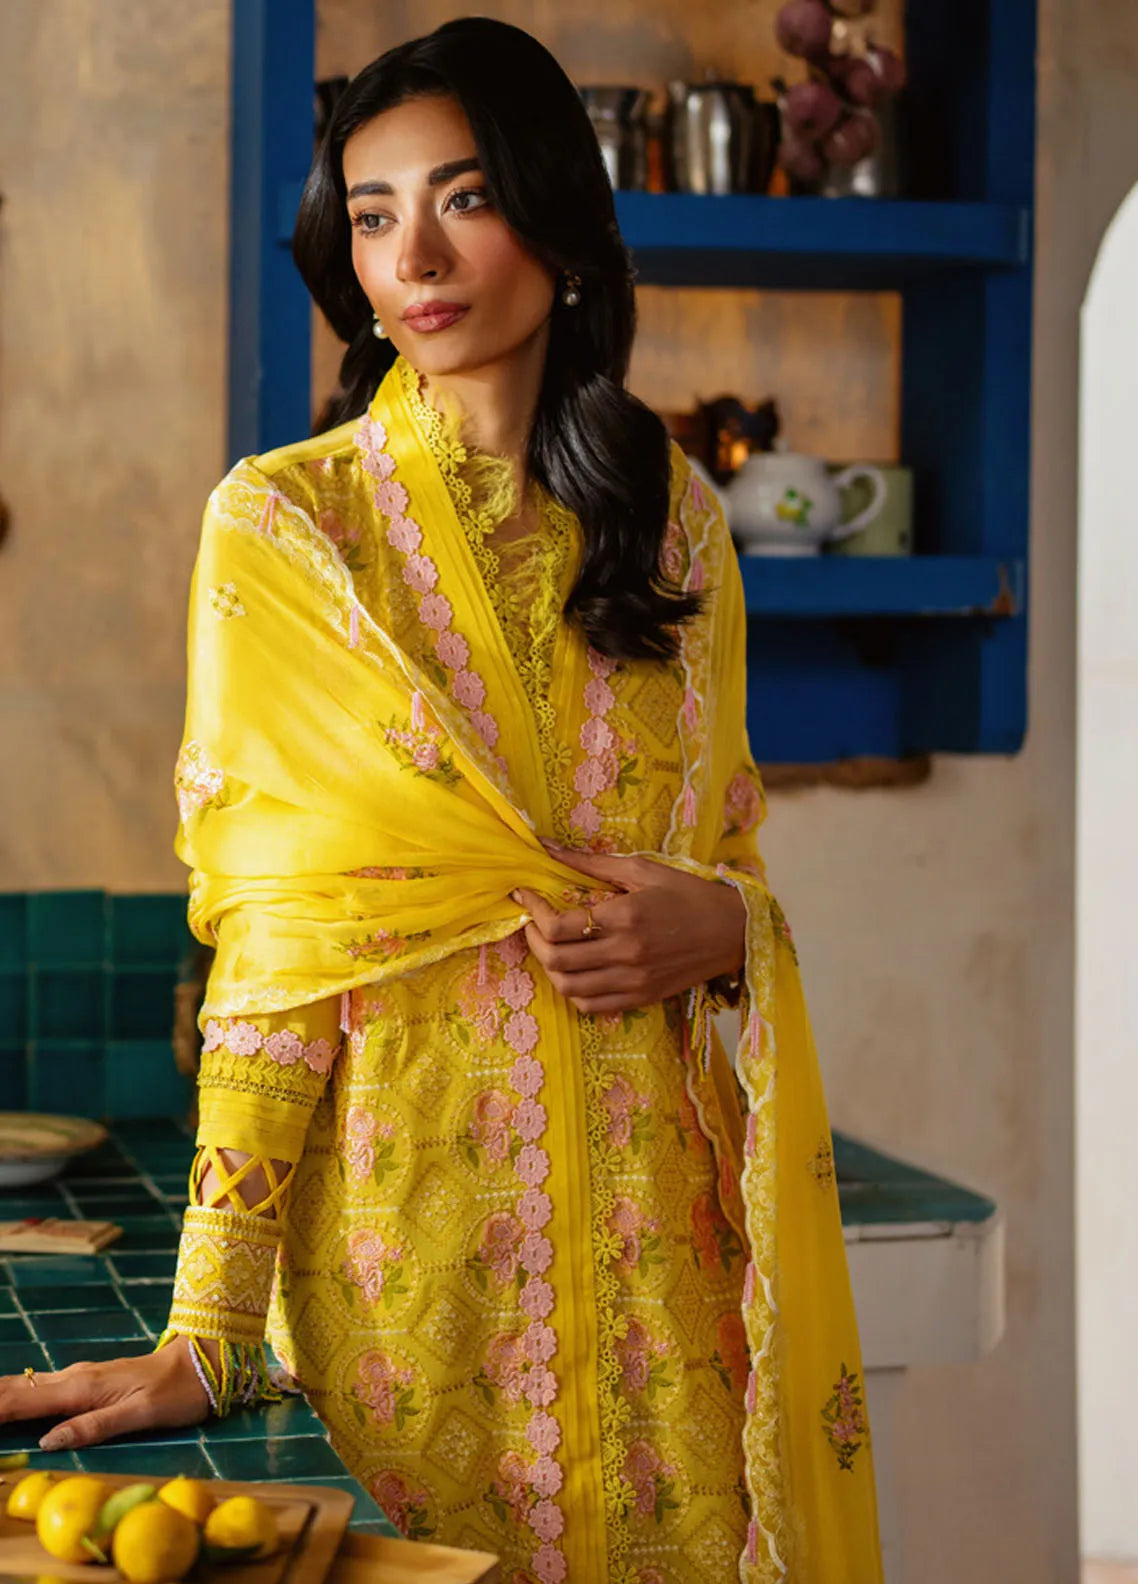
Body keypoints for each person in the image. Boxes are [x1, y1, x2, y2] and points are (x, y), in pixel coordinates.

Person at [0, 18, 882, 1581]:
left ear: (557, 218)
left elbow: (723, 853)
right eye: (372, 212)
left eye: (463, 198)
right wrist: (209, 1325)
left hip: (663, 1272)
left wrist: (726, 927)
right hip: (411, 1269)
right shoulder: (291, 530)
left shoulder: (674, 523)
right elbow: (277, 949)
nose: (413, 256)